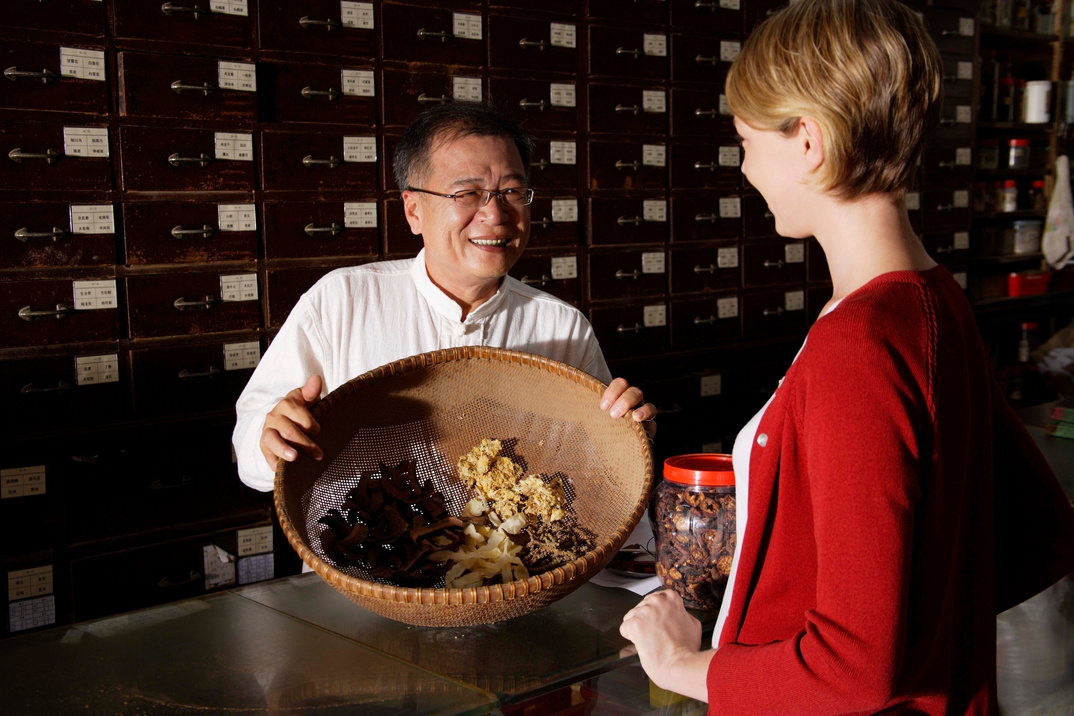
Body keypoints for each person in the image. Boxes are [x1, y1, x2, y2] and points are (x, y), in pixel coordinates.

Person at [618, 0, 1074, 713]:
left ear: (807, 140)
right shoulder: (935, 302)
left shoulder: (857, 347)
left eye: (746, 141)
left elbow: (853, 670)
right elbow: (1038, 533)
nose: (744, 169)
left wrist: (683, 665)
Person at [233, 101, 656, 491]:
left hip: (519, 566)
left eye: (511, 191)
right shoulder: (342, 301)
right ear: (413, 210)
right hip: (361, 563)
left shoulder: (562, 327)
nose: (495, 214)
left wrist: (627, 438)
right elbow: (249, 448)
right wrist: (270, 441)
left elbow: (597, 473)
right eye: (467, 194)